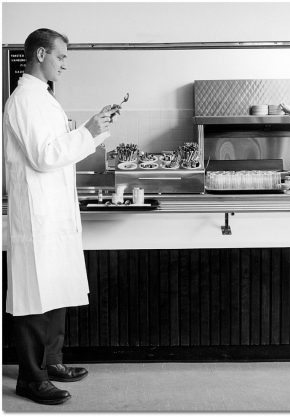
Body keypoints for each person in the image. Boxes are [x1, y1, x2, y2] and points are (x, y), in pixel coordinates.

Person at [3, 28, 120, 405]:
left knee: (55, 291)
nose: (64, 64)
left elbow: (58, 147)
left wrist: (93, 130)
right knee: (35, 296)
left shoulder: (45, 99)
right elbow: (43, 156)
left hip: (53, 214)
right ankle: (31, 379)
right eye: (61, 57)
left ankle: (52, 362)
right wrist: (87, 131)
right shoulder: (24, 100)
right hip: (37, 217)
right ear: (40, 54)